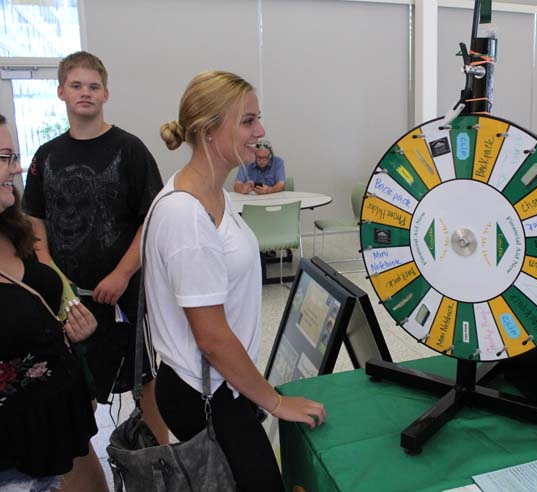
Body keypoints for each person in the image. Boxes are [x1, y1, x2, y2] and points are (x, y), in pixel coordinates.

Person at [151, 70, 326, 491]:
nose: (260, 131)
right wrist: (275, 401)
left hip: (219, 385)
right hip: (204, 393)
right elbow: (211, 338)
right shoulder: (188, 215)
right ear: (210, 130)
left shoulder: (215, 193)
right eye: (248, 121)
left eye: (257, 119)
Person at [21, 51, 169, 445]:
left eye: (93, 86)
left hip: (126, 295)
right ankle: (80, 467)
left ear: (105, 94)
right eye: (76, 85)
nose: (85, 93)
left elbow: (151, 219)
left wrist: (121, 274)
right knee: (74, 383)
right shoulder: (46, 155)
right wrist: (52, 273)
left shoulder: (131, 150)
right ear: (60, 92)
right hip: (69, 299)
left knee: (147, 379)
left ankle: (162, 466)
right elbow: (34, 218)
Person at [0, 114, 103, 491]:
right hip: (15, 455)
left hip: (61, 428)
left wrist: (72, 333)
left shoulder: (15, 230)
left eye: (13, 156)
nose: (15, 167)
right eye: (4, 157)